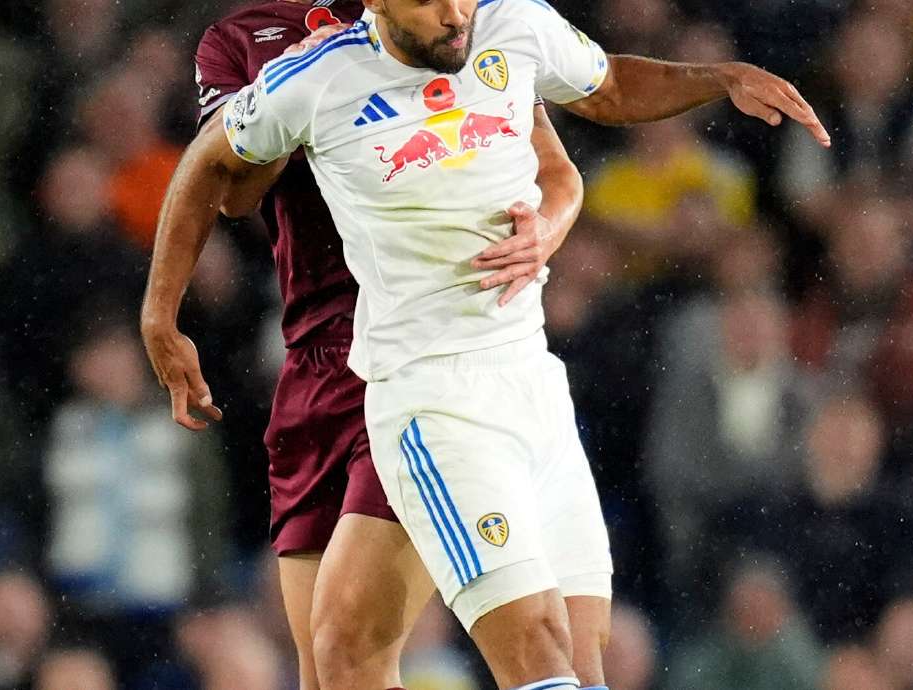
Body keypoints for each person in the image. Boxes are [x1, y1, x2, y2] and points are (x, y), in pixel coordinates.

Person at [145, 1, 829, 688]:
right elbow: (210, 166)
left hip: (534, 379)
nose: (454, 15)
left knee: (361, 650)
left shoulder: (511, 23)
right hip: (435, 400)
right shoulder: (316, 77)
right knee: (535, 643)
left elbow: (610, 86)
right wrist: (160, 317)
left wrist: (721, 77)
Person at [146, 2, 585, 689]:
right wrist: (296, 88)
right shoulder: (240, 40)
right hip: (313, 359)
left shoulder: (435, 22)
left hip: (419, 352)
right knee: (331, 668)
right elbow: (232, 191)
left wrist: (545, 233)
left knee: (500, 636)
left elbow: (551, 165)